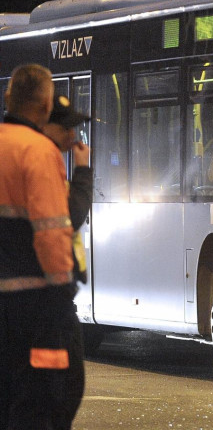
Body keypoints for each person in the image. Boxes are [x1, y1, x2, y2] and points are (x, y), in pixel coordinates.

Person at [0, 64, 84, 430]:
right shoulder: (38, 152)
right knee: (44, 401)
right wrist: (62, 288)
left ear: (8, 97)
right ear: (46, 105)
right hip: (32, 308)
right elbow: (52, 231)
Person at [43, 94, 92, 284]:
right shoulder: (42, 161)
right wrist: (82, 169)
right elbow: (72, 215)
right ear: (44, 127)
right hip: (51, 282)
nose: (72, 134)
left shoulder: (51, 160)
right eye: (65, 128)